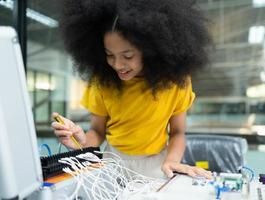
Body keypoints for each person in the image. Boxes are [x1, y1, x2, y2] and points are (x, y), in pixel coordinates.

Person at [52, 0, 212, 179]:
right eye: (109, 55)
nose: (118, 64)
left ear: (151, 50)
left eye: (127, 56)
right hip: (112, 164)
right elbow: (97, 131)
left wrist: (173, 161)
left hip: (158, 165)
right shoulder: (102, 82)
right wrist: (81, 142)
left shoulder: (175, 83)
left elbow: (177, 132)